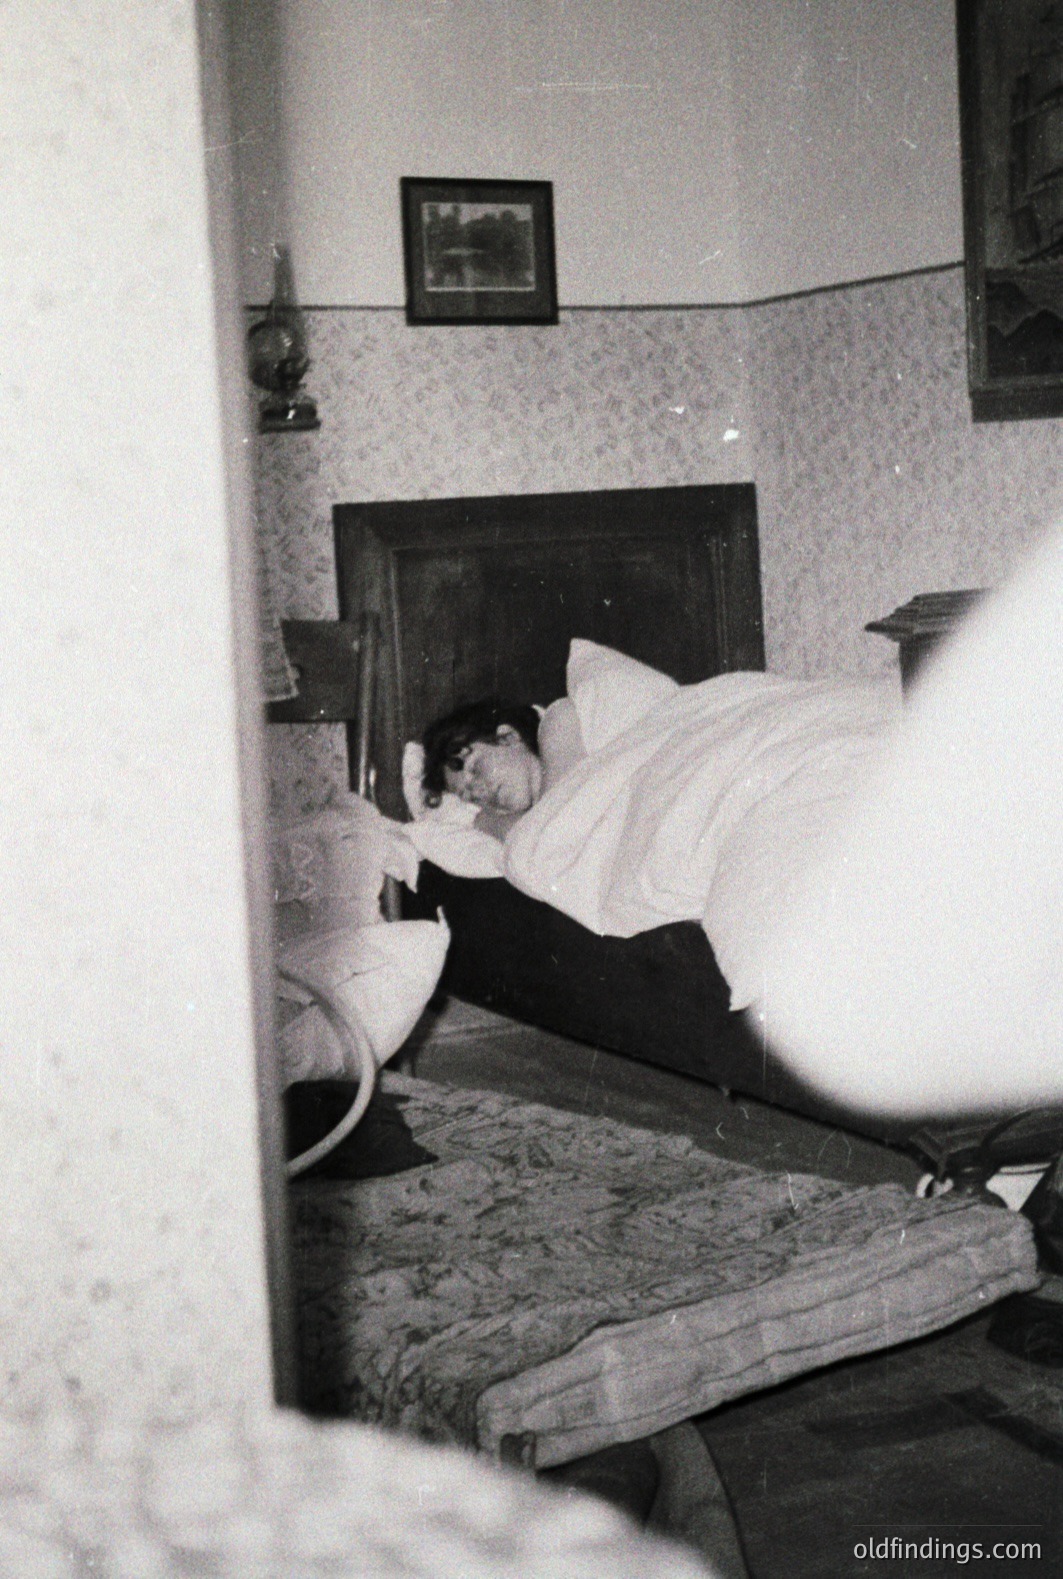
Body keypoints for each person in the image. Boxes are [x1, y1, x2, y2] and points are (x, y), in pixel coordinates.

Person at [421, 693, 585, 840]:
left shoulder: (559, 720)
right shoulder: (532, 821)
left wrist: (485, 822)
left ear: (509, 737)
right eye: (470, 796)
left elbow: (555, 833)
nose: (480, 792)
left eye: (476, 770)